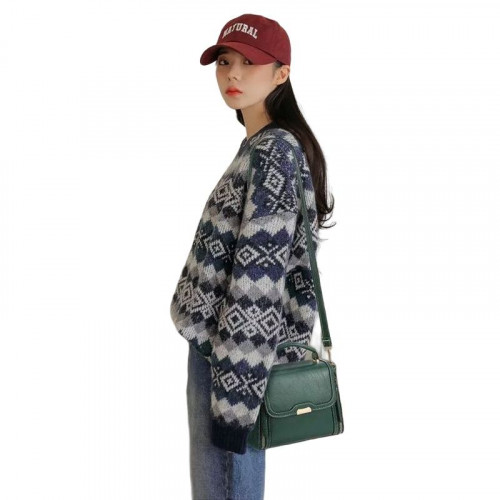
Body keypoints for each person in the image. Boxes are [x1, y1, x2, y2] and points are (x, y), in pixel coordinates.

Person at [170, 12, 336, 500]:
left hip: (231, 362)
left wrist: (234, 403)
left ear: (282, 74)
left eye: (249, 63)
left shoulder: (272, 153)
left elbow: (257, 284)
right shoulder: (262, 146)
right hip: (228, 355)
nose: (233, 74)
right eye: (225, 61)